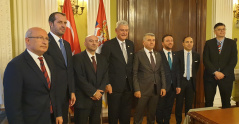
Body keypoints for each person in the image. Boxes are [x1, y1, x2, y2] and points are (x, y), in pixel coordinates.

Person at [3, 27, 63, 124]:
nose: (45, 42)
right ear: (28, 40)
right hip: (31, 120)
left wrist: (58, 113)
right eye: (40, 38)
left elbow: (54, 90)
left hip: (52, 118)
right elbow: (12, 104)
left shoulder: (50, 60)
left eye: (47, 39)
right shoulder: (15, 65)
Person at [101, 20, 134, 124]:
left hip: (128, 86)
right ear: (116, 31)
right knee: (114, 114)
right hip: (114, 86)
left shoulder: (130, 44)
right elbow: (103, 66)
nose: (124, 32)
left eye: (126, 30)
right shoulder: (108, 45)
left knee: (126, 114)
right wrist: (107, 83)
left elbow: (131, 65)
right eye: (122, 30)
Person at [46, 12, 76, 123]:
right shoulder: (45, 42)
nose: (63, 25)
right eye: (59, 22)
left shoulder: (67, 45)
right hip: (52, 94)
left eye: (65, 23)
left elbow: (69, 69)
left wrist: (72, 90)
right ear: (50, 23)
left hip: (65, 94)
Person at [73, 35, 108, 124]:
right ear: (85, 43)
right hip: (83, 99)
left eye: (96, 41)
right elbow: (79, 78)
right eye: (91, 41)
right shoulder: (77, 58)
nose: (94, 43)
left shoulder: (102, 58)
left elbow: (105, 76)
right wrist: (93, 92)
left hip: (97, 100)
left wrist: (99, 93)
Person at [133, 33, 166, 124]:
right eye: (149, 40)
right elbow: (134, 73)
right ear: (143, 42)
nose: (152, 42)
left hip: (156, 90)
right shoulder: (138, 55)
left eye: (153, 40)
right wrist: (136, 89)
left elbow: (162, 72)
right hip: (142, 90)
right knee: (139, 114)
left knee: (152, 114)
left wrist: (163, 87)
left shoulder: (158, 54)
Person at [203, 23, 238, 108]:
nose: (222, 31)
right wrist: (215, 72)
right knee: (208, 101)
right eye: (219, 29)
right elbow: (206, 60)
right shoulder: (208, 43)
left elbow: (233, 61)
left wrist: (223, 73)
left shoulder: (232, 43)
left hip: (226, 77)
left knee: (226, 102)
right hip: (210, 77)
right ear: (215, 31)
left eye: (223, 29)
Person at [156, 35, 181, 124]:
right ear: (162, 43)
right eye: (167, 41)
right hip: (162, 86)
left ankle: (167, 122)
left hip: (173, 86)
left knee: (169, 107)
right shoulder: (158, 54)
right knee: (160, 107)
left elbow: (178, 71)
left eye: (171, 40)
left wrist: (178, 85)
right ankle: (159, 122)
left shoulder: (176, 55)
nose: (170, 42)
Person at [175, 36, 200, 124]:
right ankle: (178, 121)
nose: (189, 44)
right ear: (183, 44)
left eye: (191, 42)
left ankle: (187, 122)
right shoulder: (177, 54)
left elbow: (196, 69)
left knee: (189, 104)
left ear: (193, 43)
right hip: (181, 81)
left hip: (191, 81)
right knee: (179, 103)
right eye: (187, 42)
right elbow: (176, 69)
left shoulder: (197, 55)